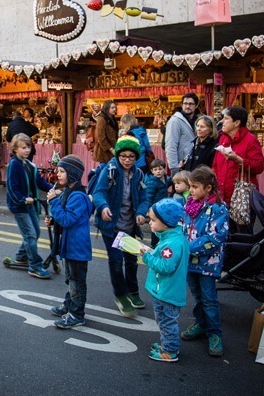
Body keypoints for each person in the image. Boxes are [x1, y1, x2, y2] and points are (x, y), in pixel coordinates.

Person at [91, 135, 150, 316]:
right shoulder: (110, 170)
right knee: (116, 262)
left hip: (130, 225)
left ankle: (133, 291)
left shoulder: (139, 174)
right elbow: (98, 192)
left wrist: (141, 212)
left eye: (130, 157)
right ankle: (121, 296)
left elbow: (144, 198)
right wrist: (103, 207)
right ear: (117, 155)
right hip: (112, 226)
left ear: (136, 157)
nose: (126, 160)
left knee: (132, 261)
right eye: (123, 156)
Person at [180, 166, 229, 357]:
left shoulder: (217, 208)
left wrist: (188, 248)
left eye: (195, 186)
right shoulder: (190, 204)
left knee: (209, 299)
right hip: (190, 262)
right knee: (198, 296)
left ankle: (215, 334)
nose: (191, 190)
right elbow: (182, 228)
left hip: (208, 263)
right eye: (190, 186)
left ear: (208, 188)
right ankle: (201, 324)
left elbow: (216, 236)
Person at [47, 155, 93, 329]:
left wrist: (53, 202)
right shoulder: (69, 192)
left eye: (62, 171)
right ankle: (69, 304)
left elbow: (67, 220)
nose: (57, 174)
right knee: (71, 278)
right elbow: (63, 217)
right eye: (58, 170)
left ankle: (76, 314)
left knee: (76, 281)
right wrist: (53, 220)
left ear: (72, 174)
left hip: (77, 247)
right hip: (71, 245)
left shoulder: (78, 197)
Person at [140, 198, 189, 362]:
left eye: (153, 220)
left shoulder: (171, 243)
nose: (150, 223)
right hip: (166, 289)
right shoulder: (172, 238)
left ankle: (169, 351)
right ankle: (167, 344)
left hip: (167, 291)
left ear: (166, 222)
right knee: (164, 320)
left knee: (167, 321)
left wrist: (146, 257)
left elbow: (165, 267)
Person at [3, 133, 53, 279]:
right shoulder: (14, 165)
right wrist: (23, 199)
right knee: (30, 234)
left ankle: (21, 256)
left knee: (35, 233)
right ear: (15, 149)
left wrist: (52, 188)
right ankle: (35, 266)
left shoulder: (29, 165)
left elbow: (39, 181)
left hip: (30, 205)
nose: (27, 150)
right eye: (23, 147)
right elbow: (12, 188)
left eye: (29, 147)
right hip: (19, 206)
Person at [211, 106, 264, 206]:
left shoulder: (251, 141)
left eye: (226, 118)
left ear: (236, 123)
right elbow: (215, 166)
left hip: (241, 199)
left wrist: (238, 160)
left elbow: (259, 167)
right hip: (221, 197)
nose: (222, 121)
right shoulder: (223, 138)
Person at [165, 93, 200, 175]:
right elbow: (170, 145)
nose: (187, 106)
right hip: (180, 167)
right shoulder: (175, 121)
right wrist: (174, 168)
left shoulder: (197, 120)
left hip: (193, 165)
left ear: (196, 105)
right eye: (185, 103)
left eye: (191, 104)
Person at [144, 158, 171, 247]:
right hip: (155, 208)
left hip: (162, 207)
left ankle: (160, 242)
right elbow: (148, 196)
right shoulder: (152, 182)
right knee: (155, 227)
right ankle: (154, 244)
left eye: (160, 169)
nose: (158, 171)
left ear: (164, 169)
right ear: (152, 171)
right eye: (155, 170)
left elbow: (168, 183)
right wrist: (147, 209)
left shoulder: (164, 178)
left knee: (162, 225)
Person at [93, 100, 119, 164]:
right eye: (112, 108)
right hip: (105, 152)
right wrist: (110, 149)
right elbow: (101, 137)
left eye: (115, 107)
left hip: (112, 148)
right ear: (107, 108)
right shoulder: (102, 119)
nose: (114, 109)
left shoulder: (111, 118)